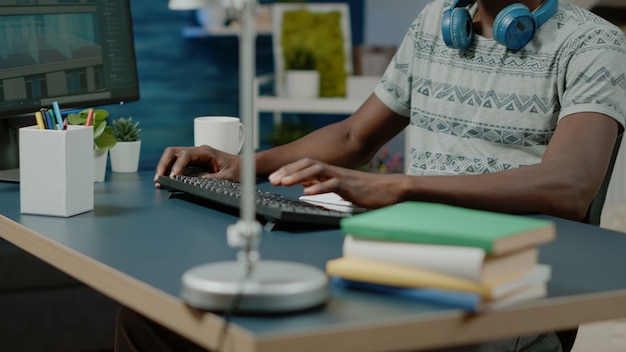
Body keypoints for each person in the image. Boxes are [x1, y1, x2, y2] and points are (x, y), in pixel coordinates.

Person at [116, 0, 626, 351]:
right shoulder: (435, 24)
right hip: (400, 262)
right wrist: (244, 166)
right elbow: (354, 138)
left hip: (501, 286)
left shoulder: (594, 45)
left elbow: (569, 184)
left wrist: (397, 186)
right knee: (157, 319)